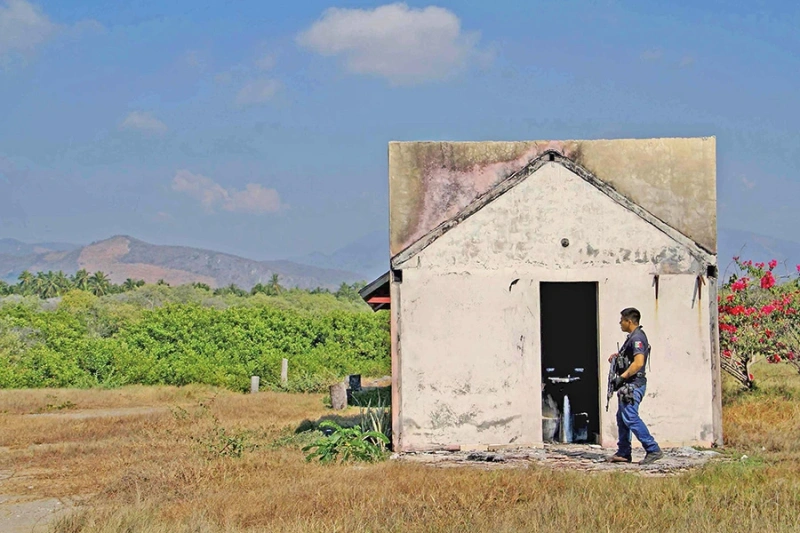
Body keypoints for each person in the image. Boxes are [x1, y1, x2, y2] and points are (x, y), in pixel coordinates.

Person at [607, 307, 663, 465]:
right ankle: (624, 452)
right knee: (622, 418)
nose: (620, 323)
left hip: (634, 384)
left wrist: (622, 377)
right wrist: (617, 358)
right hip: (629, 384)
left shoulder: (637, 338)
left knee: (630, 417)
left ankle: (653, 449)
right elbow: (630, 358)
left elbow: (638, 363)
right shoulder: (631, 337)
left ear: (629, 321)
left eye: (622, 320)